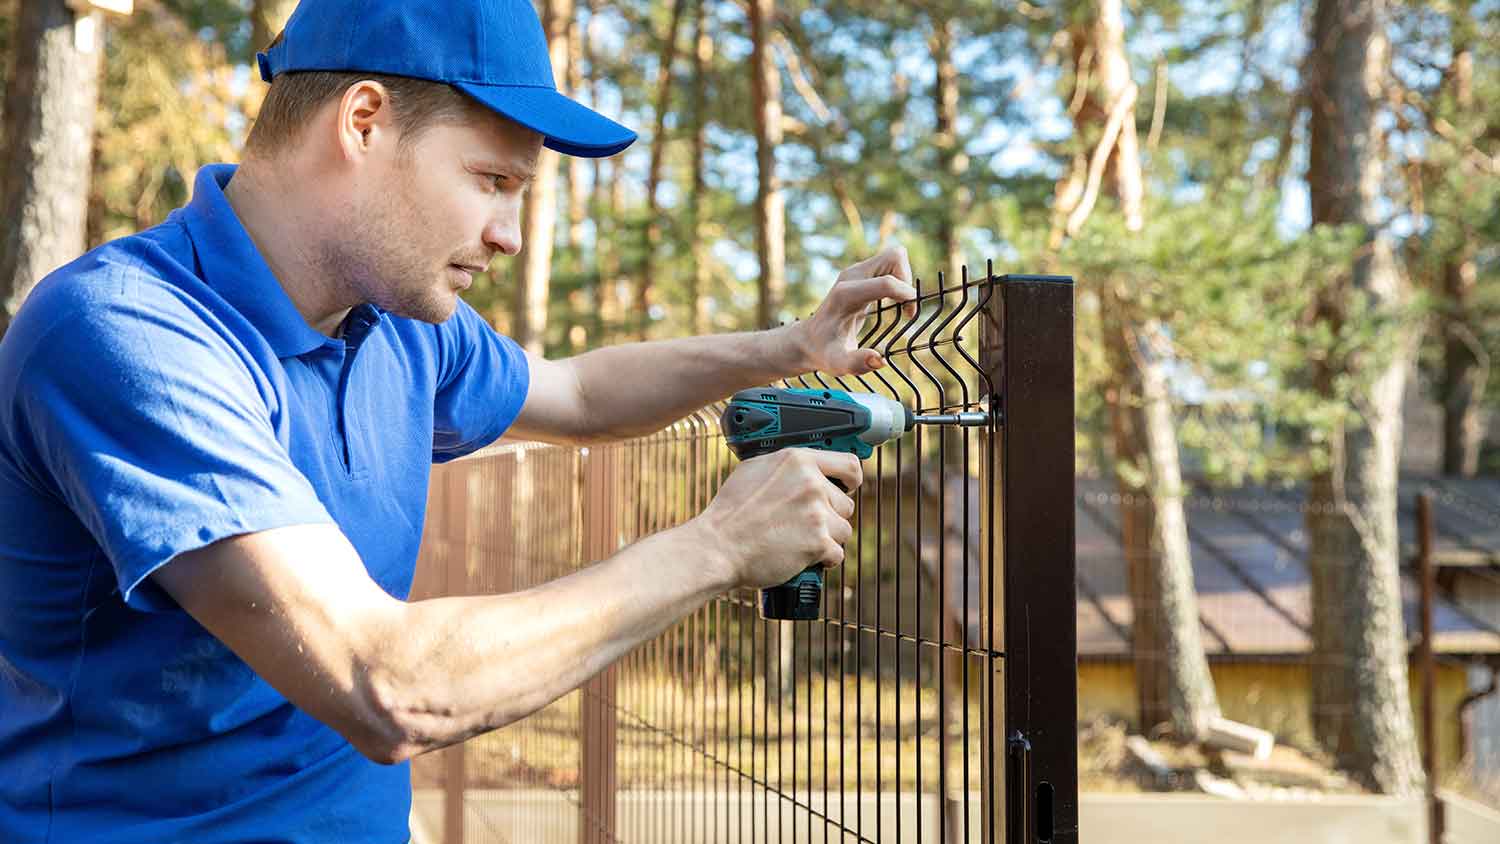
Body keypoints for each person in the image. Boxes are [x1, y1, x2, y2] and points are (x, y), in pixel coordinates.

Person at [0, 0, 918, 840]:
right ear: (363, 122)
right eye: (490, 180)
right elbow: (387, 683)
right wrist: (719, 545)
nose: (509, 234)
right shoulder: (129, 334)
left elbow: (584, 395)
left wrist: (788, 349)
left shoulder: (397, 323)